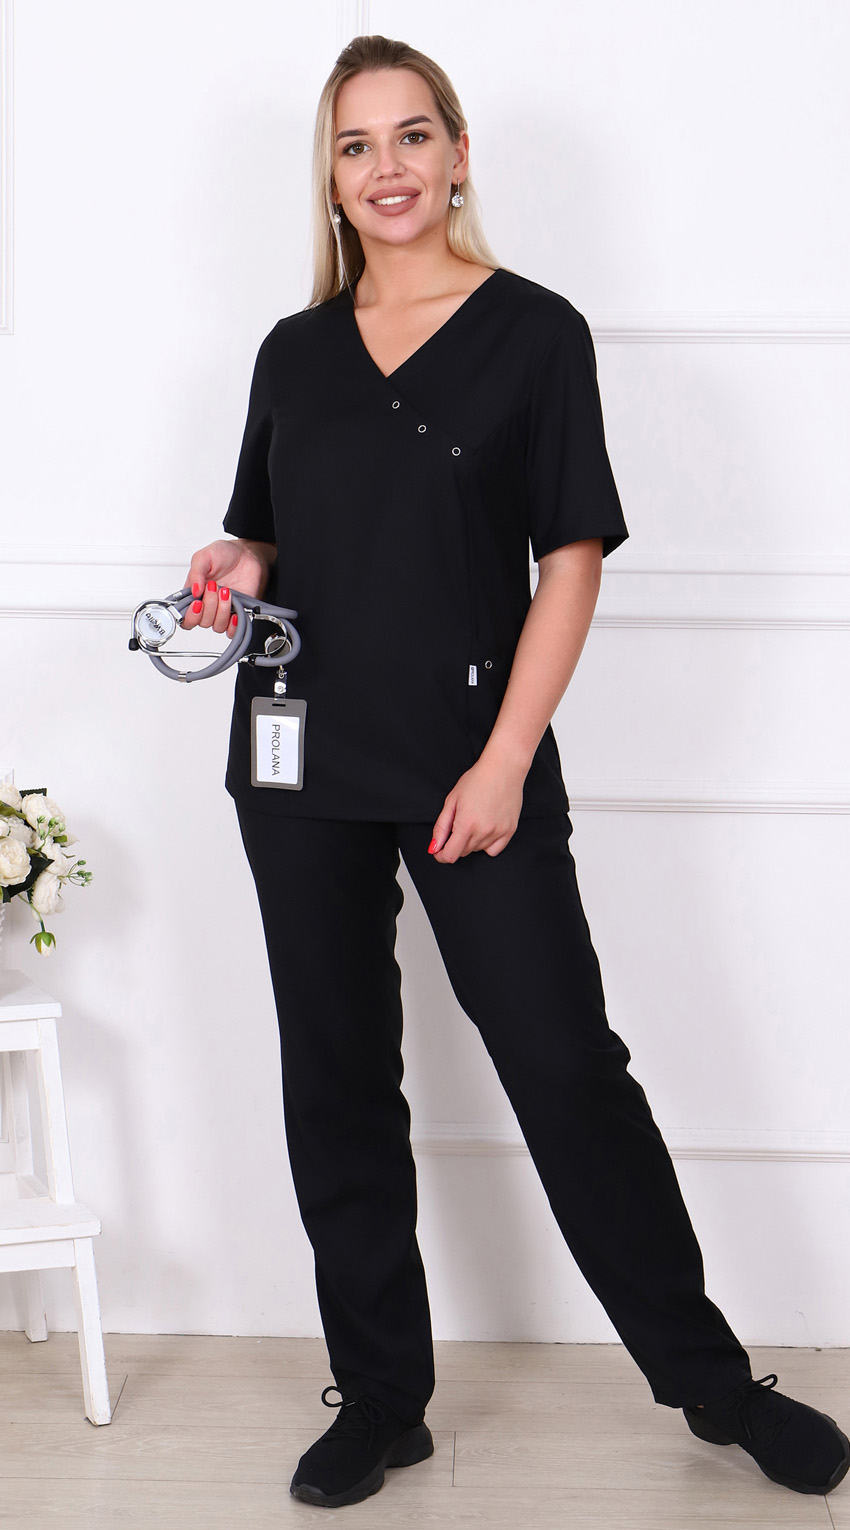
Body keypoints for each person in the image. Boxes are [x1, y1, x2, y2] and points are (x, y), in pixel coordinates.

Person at [180, 34, 850, 1512]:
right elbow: (269, 532)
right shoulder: (294, 350)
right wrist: (236, 563)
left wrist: (502, 763)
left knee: (562, 1064)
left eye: (412, 134)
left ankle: (714, 1384)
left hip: (471, 761)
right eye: (356, 144)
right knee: (336, 1080)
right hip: (298, 762)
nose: (388, 166)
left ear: (459, 153)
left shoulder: (536, 333)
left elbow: (570, 561)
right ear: (331, 178)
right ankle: (382, 1398)